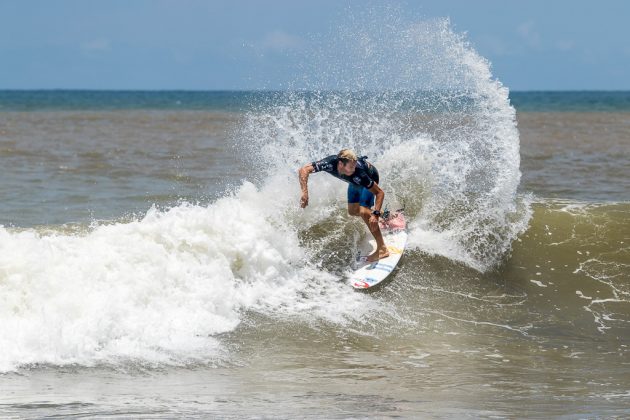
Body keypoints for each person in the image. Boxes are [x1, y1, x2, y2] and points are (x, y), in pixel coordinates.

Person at [298, 149, 389, 262]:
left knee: (363, 212)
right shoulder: (330, 163)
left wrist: (374, 214)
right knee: (353, 211)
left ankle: (382, 249)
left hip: (369, 177)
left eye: (354, 166)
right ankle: (384, 215)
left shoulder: (359, 173)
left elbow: (379, 193)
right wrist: (305, 193)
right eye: (351, 167)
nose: (353, 169)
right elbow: (303, 170)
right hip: (354, 182)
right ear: (340, 164)